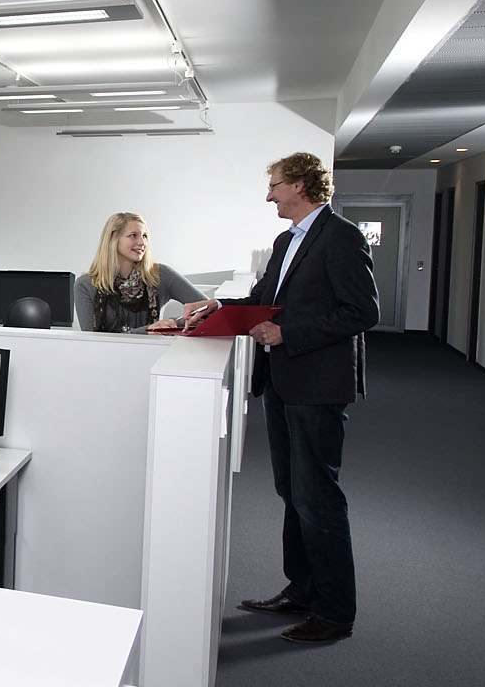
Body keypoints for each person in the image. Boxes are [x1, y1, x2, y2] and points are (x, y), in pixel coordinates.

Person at [183, 152, 379, 644]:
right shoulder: (286, 240)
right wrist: (217, 306)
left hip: (317, 385)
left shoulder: (341, 237)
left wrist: (288, 334)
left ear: (299, 185)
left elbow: (362, 312)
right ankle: (303, 590)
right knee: (293, 493)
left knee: (319, 498)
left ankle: (335, 613)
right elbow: (263, 301)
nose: (268, 195)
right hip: (283, 382)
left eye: (273, 185)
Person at [73, 212, 208, 333]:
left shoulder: (160, 275)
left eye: (144, 236)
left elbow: (209, 311)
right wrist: (147, 330)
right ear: (113, 240)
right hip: (106, 352)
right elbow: (90, 340)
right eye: (133, 236)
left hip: (155, 350)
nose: (142, 242)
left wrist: (172, 323)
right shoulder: (85, 284)